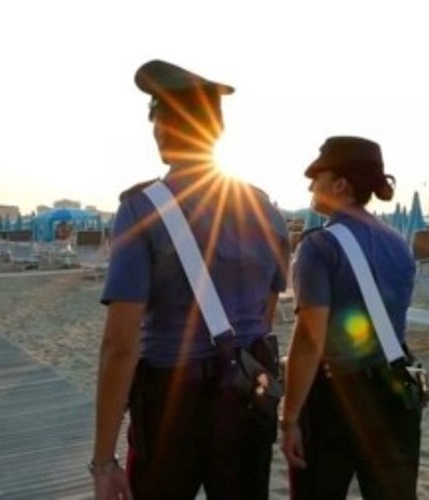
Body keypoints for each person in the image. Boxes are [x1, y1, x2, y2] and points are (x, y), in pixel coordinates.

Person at [90, 60, 290, 500]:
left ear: (162, 128)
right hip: (247, 392)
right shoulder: (265, 209)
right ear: (216, 131)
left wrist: (104, 461)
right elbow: (265, 313)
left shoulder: (142, 209)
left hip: (170, 401)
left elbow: (120, 345)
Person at [280, 136, 421, 499]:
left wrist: (290, 416)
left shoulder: (318, 246)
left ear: (341, 184)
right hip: (395, 389)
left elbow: (311, 340)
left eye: (317, 176)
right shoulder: (398, 244)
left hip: (335, 397)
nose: (311, 185)